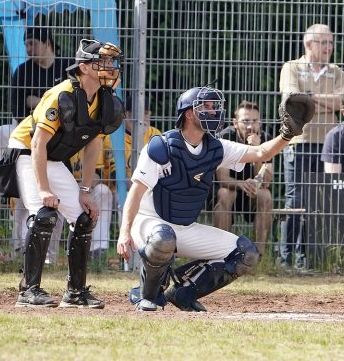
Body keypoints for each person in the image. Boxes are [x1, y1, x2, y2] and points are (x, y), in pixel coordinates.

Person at [117, 87, 313, 312]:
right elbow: (136, 191)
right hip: (149, 223)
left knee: (245, 253)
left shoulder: (216, 147)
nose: (214, 111)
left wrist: (286, 134)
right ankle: (146, 294)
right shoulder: (162, 146)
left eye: (215, 107)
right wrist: (125, 232)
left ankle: (183, 292)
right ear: (189, 113)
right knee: (163, 239)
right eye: (207, 107)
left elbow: (261, 153)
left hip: (184, 227)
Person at [8, 38, 124, 308]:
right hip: (26, 150)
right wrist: (45, 189)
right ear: (83, 67)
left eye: (111, 62)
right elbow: (37, 144)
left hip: (53, 157)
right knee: (45, 215)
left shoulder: (104, 99)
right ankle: (29, 292)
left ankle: (75, 293)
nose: (110, 67)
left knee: (84, 218)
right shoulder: (61, 94)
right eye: (102, 62)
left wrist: (85, 191)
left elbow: (93, 142)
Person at [0, 26, 69, 263]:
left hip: (61, 139)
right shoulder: (23, 71)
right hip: (29, 135)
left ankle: (50, 254)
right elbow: (18, 112)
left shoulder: (66, 68)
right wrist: (49, 105)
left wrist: (36, 101)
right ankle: (8, 176)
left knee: (53, 197)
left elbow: (71, 109)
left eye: (32, 43)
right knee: (1, 133)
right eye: (26, 43)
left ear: (47, 42)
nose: (28, 48)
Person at [278, 24, 344, 270]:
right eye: (323, 42)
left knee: (320, 202)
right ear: (308, 44)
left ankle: (307, 260)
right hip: (298, 142)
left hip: (329, 145)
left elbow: (343, 102)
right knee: (295, 200)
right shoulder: (291, 67)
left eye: (331, 42)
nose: (329, 47)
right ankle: (285, 259)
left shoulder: (337, 71)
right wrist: (324, 101)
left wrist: (311, 97)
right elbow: (293, 100)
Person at [72, 95, 163, 260]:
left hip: (150, 191)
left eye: (147, 113)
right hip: (118, 191)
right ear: (127, 114)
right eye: (139, 113)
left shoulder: (155, 136)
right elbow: (116, 176)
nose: (144, 118)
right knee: (111, 193)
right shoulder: (113, 136)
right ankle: (98, 251)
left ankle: (152, 251)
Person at [213, 100, 274, 256]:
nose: (250, 126)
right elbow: (222, 177)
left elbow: (266, 181)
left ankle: (259, 256)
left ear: (260, 122)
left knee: (265, 195)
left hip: (253, 192)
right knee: (225, 193)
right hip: (230, 190)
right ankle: (221, 254)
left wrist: (257, 151)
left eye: (254, 121)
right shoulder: (225, 137)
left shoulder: (265, 138)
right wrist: (241, 184)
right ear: (235, 122)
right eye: (245, 121)